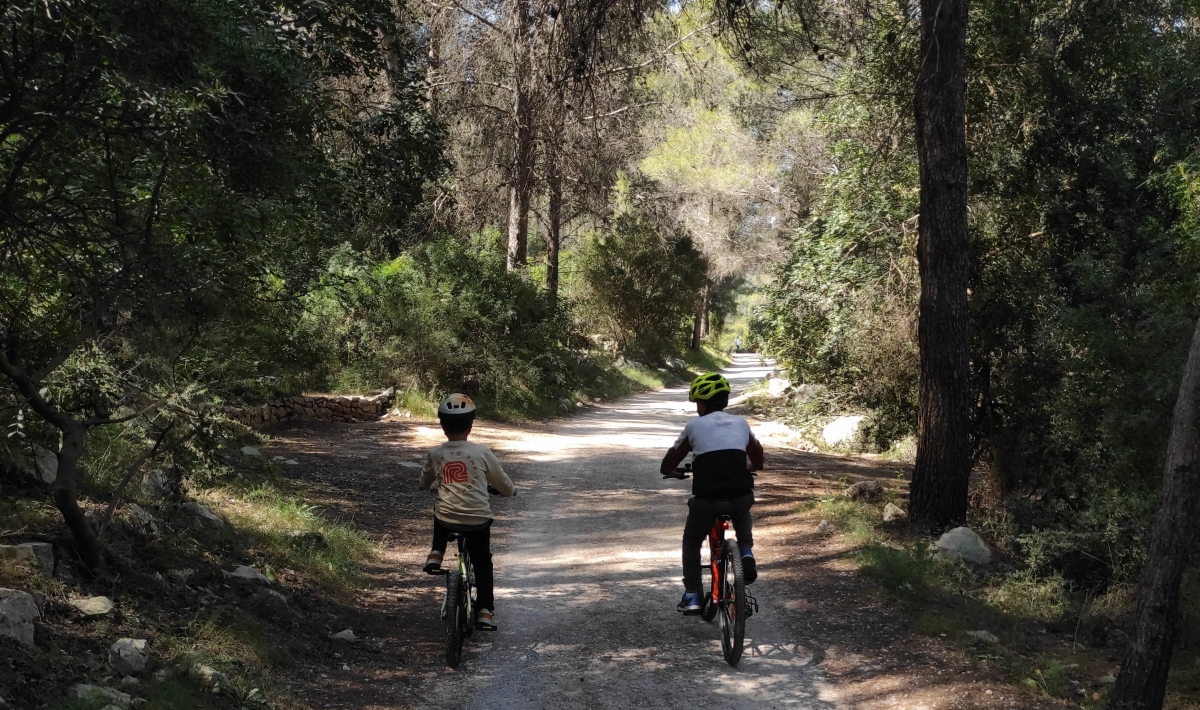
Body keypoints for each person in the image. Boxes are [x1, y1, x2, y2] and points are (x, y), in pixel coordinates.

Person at [660, 373, 764, 615]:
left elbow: (671, 460)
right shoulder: (741, 423)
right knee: (742, 507)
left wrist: (672, 472)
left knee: (692, 540)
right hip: (739, 495)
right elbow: (757, 456)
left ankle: (692, 594)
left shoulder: (693, 426)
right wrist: (752, 467)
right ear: (724, 401)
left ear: (702, 403)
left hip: (707, 500)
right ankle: (745, 551)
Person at [420, 393, 515, 630]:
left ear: (442, 427)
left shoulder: (436, 453)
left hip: (447, 521)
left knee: (441, 510)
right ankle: (484, 611)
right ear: (470, 426)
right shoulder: (482, 453)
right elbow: (501, 481)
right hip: (478, 522)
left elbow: (426, 480)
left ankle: (436, 552)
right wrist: (509, 491)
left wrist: (430, 484)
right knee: (482, 562)